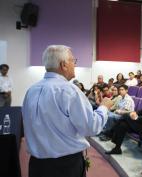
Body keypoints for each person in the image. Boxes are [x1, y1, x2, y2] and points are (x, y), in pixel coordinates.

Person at [22, 45, 113, 177]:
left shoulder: (31, 90)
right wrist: (104, 107)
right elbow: (91, 127)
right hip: (65, 166)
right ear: (64, 64)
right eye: (73, 60)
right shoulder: (68, 90)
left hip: (37, 165)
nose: (74, 64)